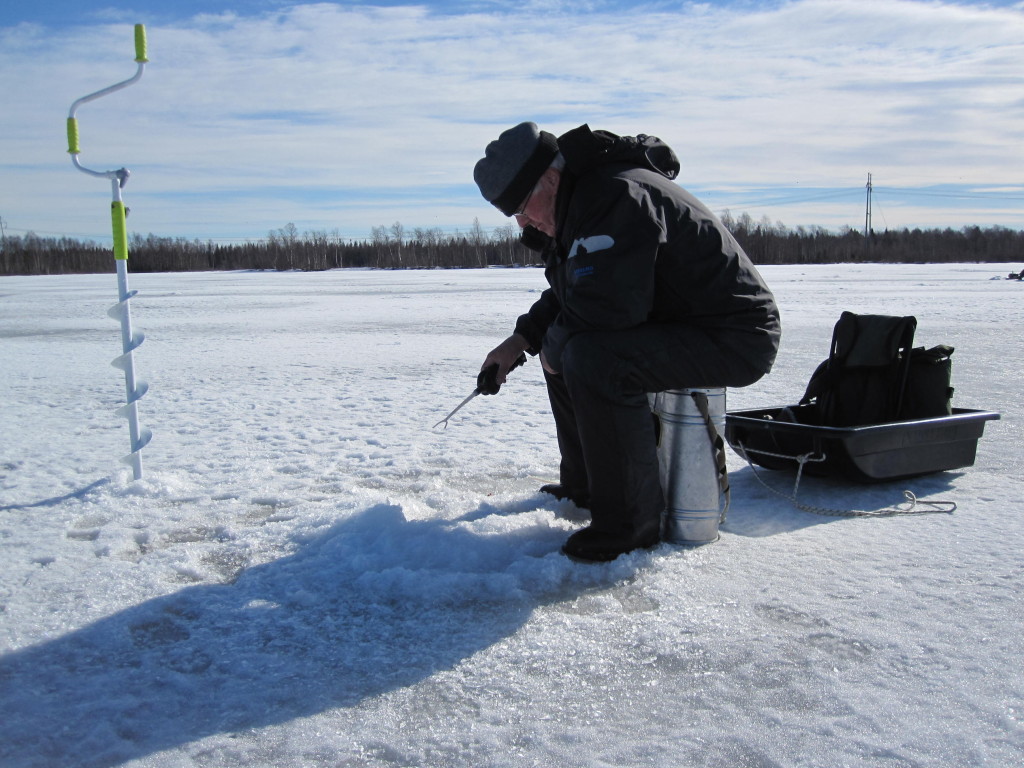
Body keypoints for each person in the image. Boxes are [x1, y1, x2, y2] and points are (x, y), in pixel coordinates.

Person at [473, 122, 781, 562]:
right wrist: (521, 340)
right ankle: (586, 487)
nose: (524, 223)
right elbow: (576, 287)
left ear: (552, 180)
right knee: (567, 351)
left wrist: (553, 347)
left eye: (522, 207)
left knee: (595, 359)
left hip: (736, 334)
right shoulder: (583, 200)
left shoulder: (613, 195)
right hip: (689, 323)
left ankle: (630, 525)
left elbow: (611, 308)